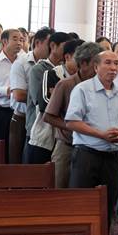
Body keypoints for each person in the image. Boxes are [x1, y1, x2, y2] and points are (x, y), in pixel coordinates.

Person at [66, 50, 118, 226]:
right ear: (96, 67)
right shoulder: (83, 90)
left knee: (107, 208)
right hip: (87, 155)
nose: (113, 68)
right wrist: (101, 135)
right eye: (108, 63)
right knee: (81, 205)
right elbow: (71, 122)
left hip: (112, 158)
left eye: (116, 63)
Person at [44, 42, 102, 188]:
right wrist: (73, 126)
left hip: (93, 149)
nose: (99, 68)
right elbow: (48, 116)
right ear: (83, 64)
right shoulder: (66, 84)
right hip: (67, 147)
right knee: (61, 191)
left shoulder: (102, 87)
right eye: (96, 64)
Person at [24, 32, 70, 163]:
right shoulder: (39, 69)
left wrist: (57, 94)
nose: (67, 52)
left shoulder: (66, 71)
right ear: (53, 46)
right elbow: (39, 101)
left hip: (59, 132)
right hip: (39, 128)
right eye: (65, 47)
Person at [9, 27, 53, 163]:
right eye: (49, 44)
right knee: (19, 163)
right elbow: (18, 95)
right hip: (22, 119)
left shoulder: (53, 66)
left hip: (43, 122)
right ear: (38, 43)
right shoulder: (21, 63)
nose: (52, 48)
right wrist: (43, 95)